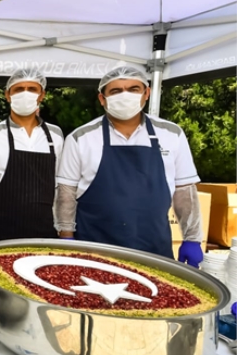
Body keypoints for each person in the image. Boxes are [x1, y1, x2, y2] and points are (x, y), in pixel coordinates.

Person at [55, 66, 204, 266]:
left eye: (133, 89)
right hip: (93, 249)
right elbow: (66, 193)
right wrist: (66, 236)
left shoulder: (171, 134)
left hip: (154, 247)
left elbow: (184, 191)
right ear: (102, 99)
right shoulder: (81, 138)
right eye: (115, 91)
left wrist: (192, 238)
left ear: (146, 93)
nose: (125, 96)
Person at [0, 68, 64, 248]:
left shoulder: (56, 135)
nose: (25, 94)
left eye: (32, 89)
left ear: (41, 95)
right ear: (8, 95)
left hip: (44, 235)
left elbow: (60, 187)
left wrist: (65, 229)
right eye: (19, 89)